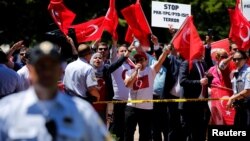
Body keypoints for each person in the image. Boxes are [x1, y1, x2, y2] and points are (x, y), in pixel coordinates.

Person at [0, 41, 112, 141]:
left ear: (60, 71)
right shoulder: (7, 110)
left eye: (51, 67)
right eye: (41, 67)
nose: (46, 73)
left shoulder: (81, 111)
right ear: (31, 71)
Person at [124, 46, 170, 141]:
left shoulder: (151, 70)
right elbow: (128, 84)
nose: (139, 62)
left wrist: (165, 51)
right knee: (128, 133)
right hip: (131, 107)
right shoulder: (129, 72)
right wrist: (136, 71)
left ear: (146, 61)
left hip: (146, 108)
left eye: (141, 59)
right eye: (137, 60)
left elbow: (160, 61)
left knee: (145, 134)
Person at [90, 50, 130, 123]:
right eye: (95, 58)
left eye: (100, 58)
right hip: (91, 104)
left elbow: (118, 63)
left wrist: (129, 50)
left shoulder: (106, 69)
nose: (98, 59)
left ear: (103, 60)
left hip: (105, 104)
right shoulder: (88, 70)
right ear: (91, 60)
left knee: (104, 125)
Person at [179, 53, 211, 141]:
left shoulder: (204, 63)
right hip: (188, 105)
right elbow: (182, 81)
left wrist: (210, 77)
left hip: (201, 104)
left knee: (199, 132)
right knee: (185, 131)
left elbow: (206, 81)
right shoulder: (186, 63)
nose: (202, 53)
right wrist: (199, 82)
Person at [109, 44, 134, 141]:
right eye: (121, 51)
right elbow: (112, 55)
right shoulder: (114, 64)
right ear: (117, 53)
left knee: (126, 125)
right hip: (117, 99)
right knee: (116, 125)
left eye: (125, 50)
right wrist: (114, 43)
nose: (124, 52)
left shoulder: (131, 65)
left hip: (129, 100)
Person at [227, 51, 250, 132]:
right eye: (234, 59)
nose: (236, 61)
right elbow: (236, 90)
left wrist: (232, 98)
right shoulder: (237, 71)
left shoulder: (248, 71)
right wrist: (235, 99)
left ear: (245, 59)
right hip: (240, 106)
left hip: (247, 106)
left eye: (239, 59)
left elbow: (248, 91)